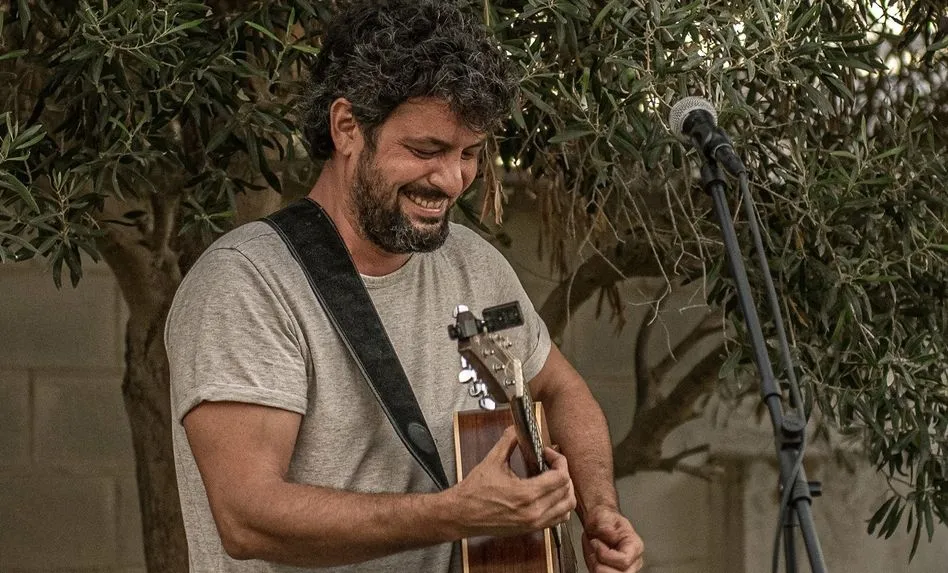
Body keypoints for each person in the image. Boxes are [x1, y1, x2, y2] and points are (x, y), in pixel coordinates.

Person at [165, 1, 645, 571]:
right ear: (347, 128)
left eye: (469, 154)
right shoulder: (247, 282)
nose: (450, 180)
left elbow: (561, 392)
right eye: (425, 151)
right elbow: (247, 516)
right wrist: (455, 512)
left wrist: (599, 510)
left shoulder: (475, 265)